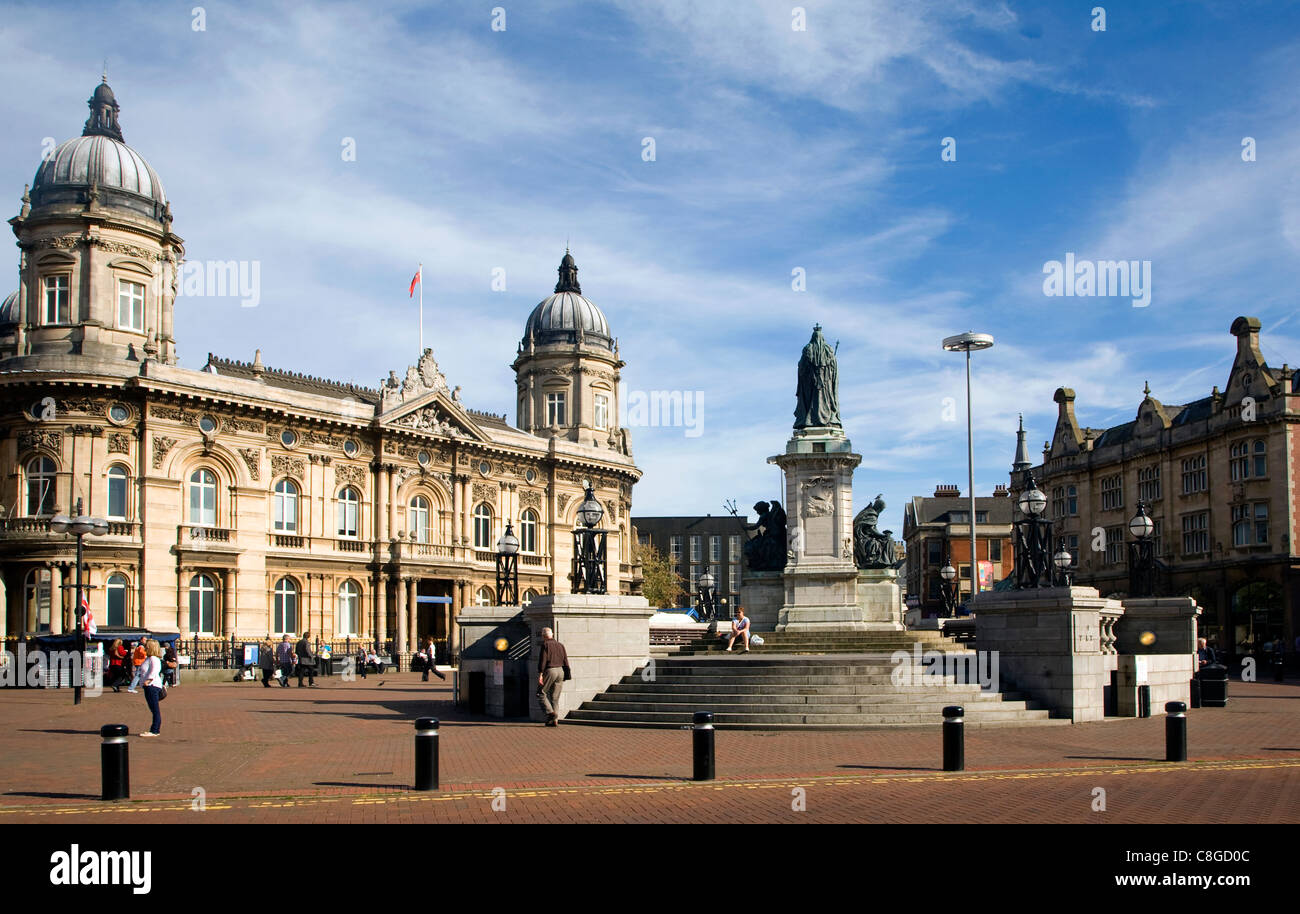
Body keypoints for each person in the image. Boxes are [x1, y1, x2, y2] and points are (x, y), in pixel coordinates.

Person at [536, 627, 569, 727]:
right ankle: (555, 721)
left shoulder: (545, 645)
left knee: (540, 693)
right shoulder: (560, 645)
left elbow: (543, 660)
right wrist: (567, 673)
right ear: (552, 634)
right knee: (555, 697)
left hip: (550, 670)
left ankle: (550, 713)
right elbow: (565, 659)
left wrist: (540, 673)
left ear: (544, 636)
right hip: (561, 671)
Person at [139, 640, 164, 738]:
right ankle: (154, 729)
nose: (145, 647)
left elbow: (154, 670)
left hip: (152, 685)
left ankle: (155, 730)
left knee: (155, 709)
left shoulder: (154, 658)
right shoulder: (149, 658)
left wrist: (148, 681)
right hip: (148, 686)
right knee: (152, 708)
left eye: (147, 646)